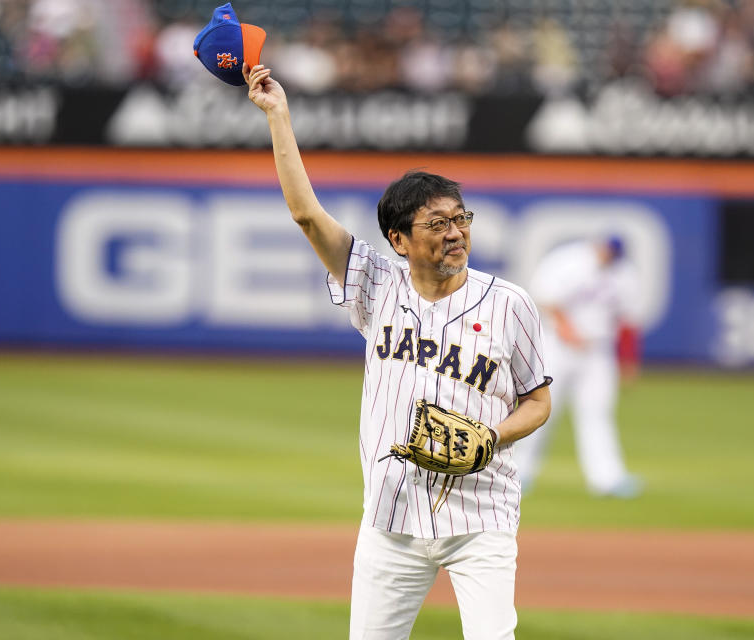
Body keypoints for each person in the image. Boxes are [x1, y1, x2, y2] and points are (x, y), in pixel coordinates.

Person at [242, 62, 552, 640]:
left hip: (481, 517)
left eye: (461, 218)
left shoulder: (510, 304)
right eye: (438, 223)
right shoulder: (375, 284)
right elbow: (306, 215)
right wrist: (278, 116)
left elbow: (539, 400)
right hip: (389, 517)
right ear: (399, 239)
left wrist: (494, 436)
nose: (456, 231)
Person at [513, 235, 642, 499]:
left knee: (597, 412)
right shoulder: (569, 261)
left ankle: (607, 478)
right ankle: (517, 472)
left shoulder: (625, 274)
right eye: (607, 252)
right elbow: (544, 298)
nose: (609, 258)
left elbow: (628, 320)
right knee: (540, 410)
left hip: (598, 351)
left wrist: (628, 360)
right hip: (557, 347)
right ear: (598, 245)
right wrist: (567, 329)